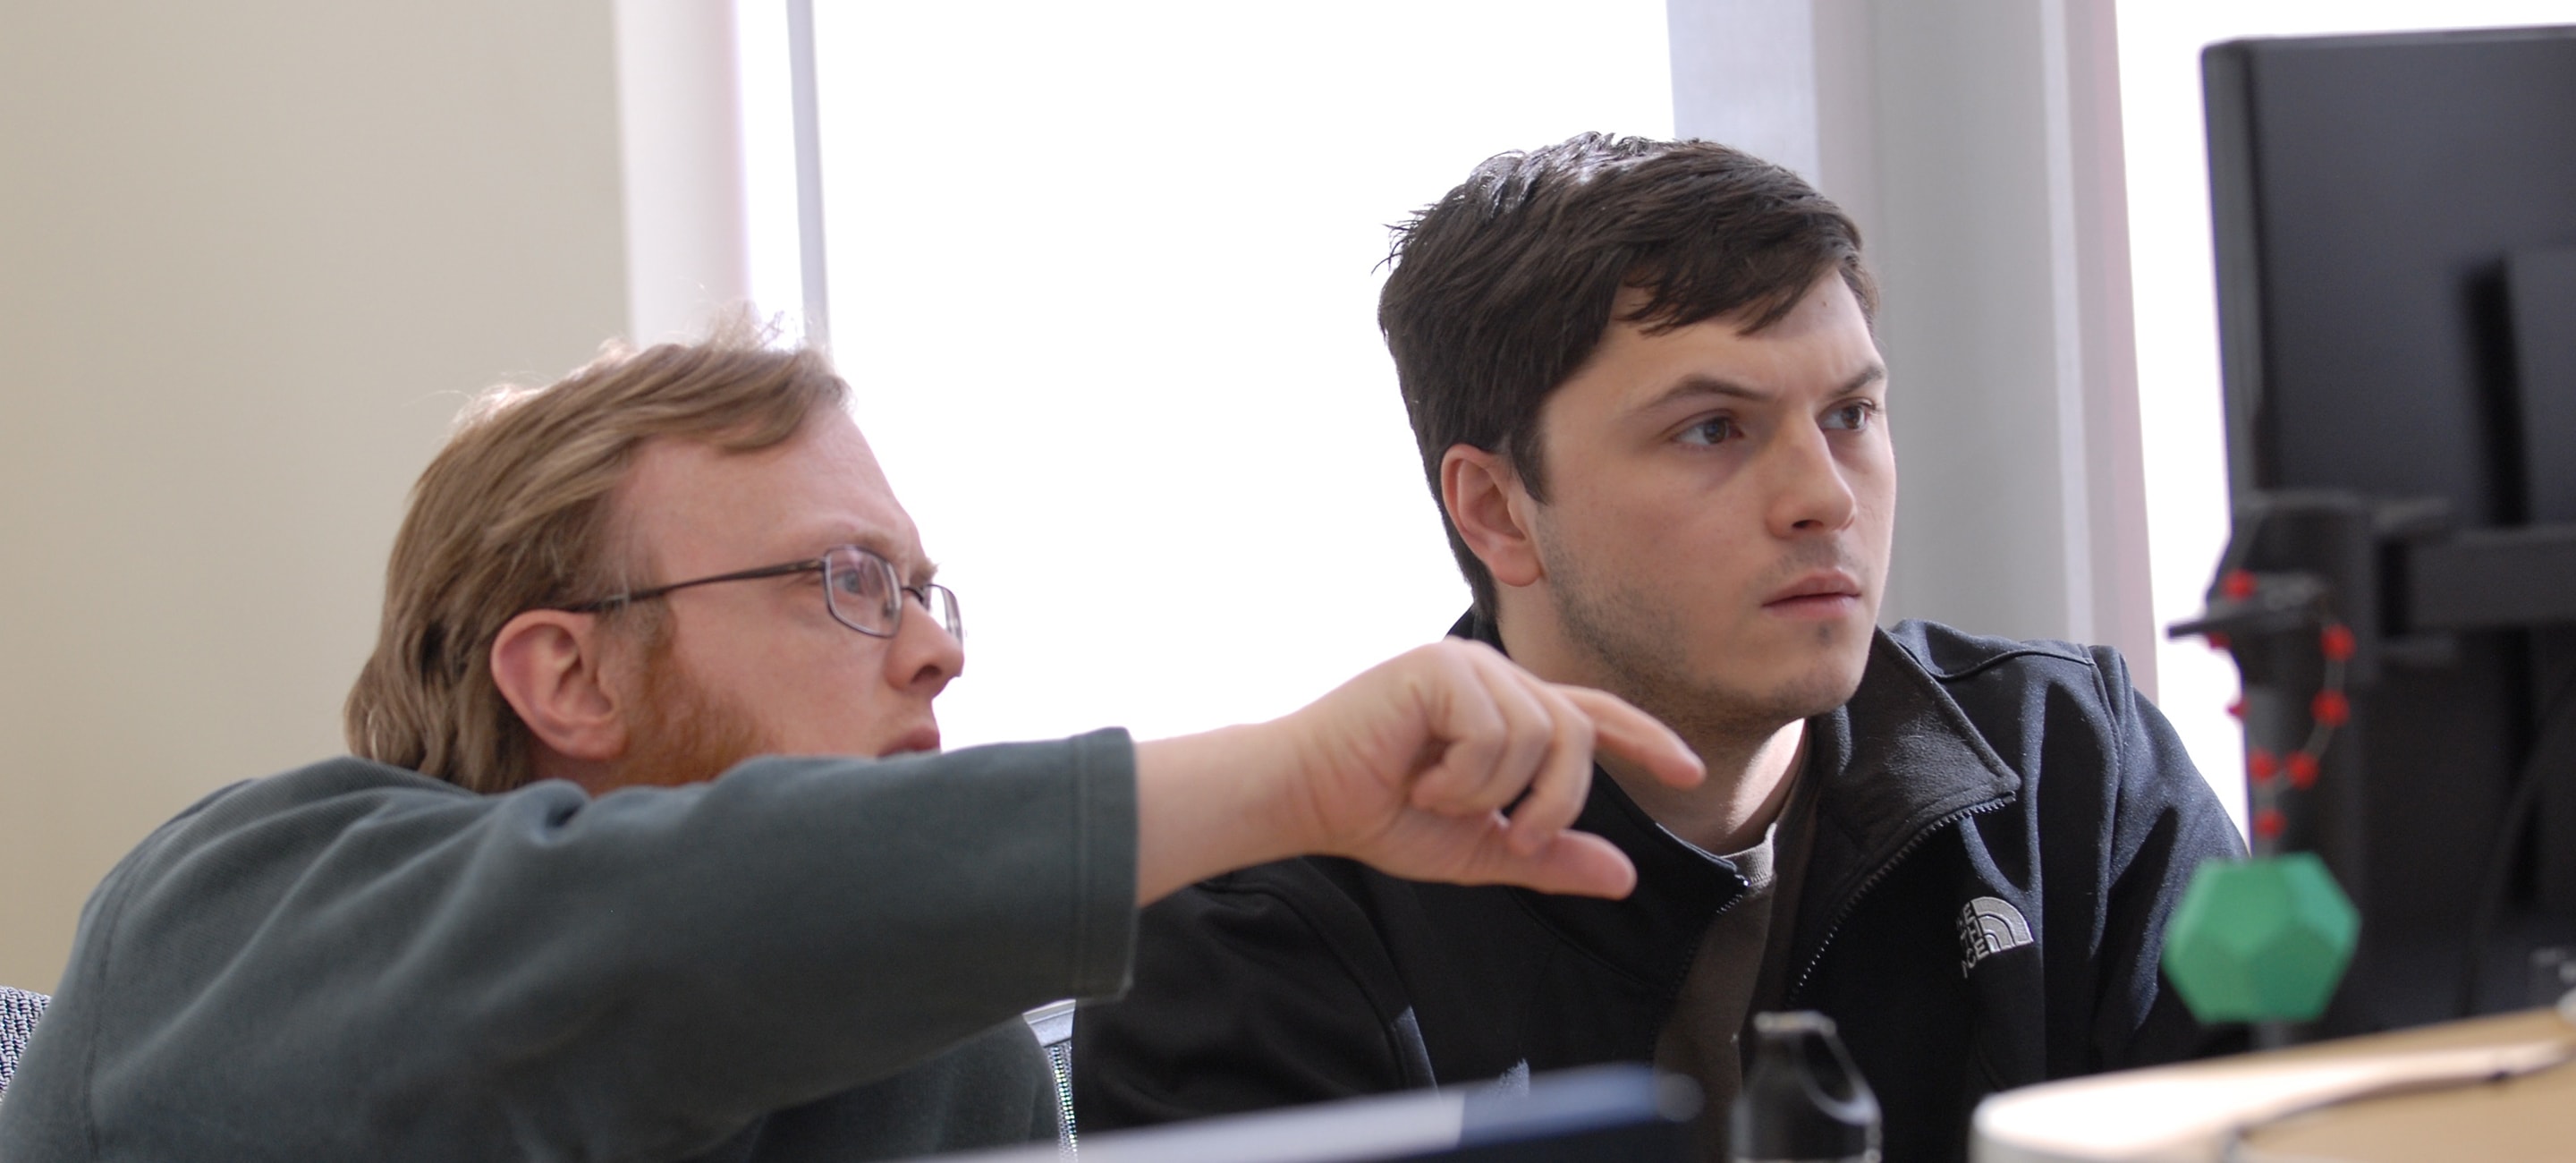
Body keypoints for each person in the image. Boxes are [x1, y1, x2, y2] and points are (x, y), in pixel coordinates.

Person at [0, 333, 1706, 1162]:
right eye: (844, 581)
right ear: (566, 673)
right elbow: (630, 941)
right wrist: (1286, 782)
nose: (937, 645)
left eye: (923, 587)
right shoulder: (230, 919)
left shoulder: (935, 1067)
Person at [1072, 134, 2245, 1161]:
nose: (1824, 497)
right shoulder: (1253, 947)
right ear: (1497, 510)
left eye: (1849, 415)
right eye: (1713, 429)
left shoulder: (2072, 771)